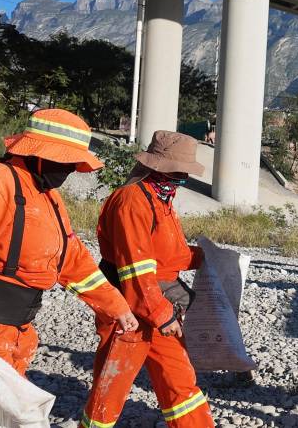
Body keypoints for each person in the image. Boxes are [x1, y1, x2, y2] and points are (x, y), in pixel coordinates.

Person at [0, 108, 138, 375]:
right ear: (36, 153)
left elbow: (73, 260)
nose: (68, 170)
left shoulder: (46, 196)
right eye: (64, 161)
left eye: (72, 164)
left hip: (14, 331)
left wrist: (116, 306)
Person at [81, 131, 215, 427]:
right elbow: (135, 271)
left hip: (160, 306)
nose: (181, 180)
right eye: (178, 173)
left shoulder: (159, 197)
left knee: (180, 381)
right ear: (158, 167)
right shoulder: (132, 201)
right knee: (111, 388)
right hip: (128, 311)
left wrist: (205, 257)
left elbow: (168, 254)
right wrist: (162, 314)